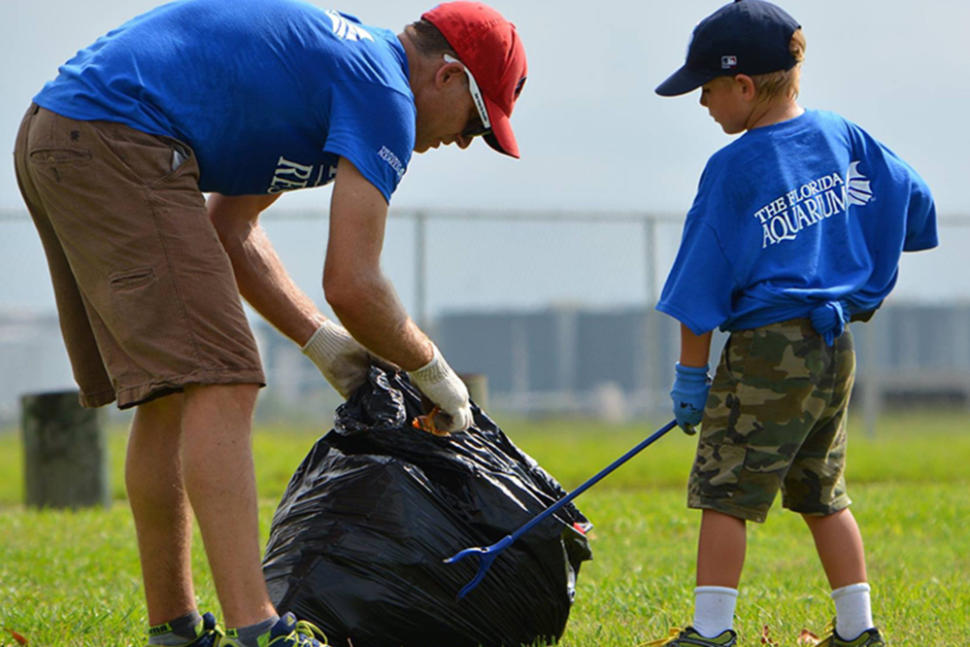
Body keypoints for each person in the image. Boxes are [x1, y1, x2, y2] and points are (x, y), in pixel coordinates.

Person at [13, 0, 527, 645]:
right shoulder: (384, 92)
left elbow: (231, 229)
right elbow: (353, 282)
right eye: (477, 122)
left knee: (177, 389)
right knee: (223, 379)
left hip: (64, 130)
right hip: (116, 137)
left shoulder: (346, 70)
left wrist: (321, 343)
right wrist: (435, 371)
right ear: (448, 76)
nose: (463, 140)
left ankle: (175, 628)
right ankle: (259, 628)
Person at [647, 1, 937, 646]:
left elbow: (701, 287)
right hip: (834, 346)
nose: (702, 104)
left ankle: (711, 631)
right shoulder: (843, 135)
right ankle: (859, 630)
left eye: (708, 89)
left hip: (767, 351)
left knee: (725, 490)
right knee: (823, 490)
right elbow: (914, 202)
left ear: (744, 86)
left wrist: (690, 377)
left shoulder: (735, 167)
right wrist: (855, 257)